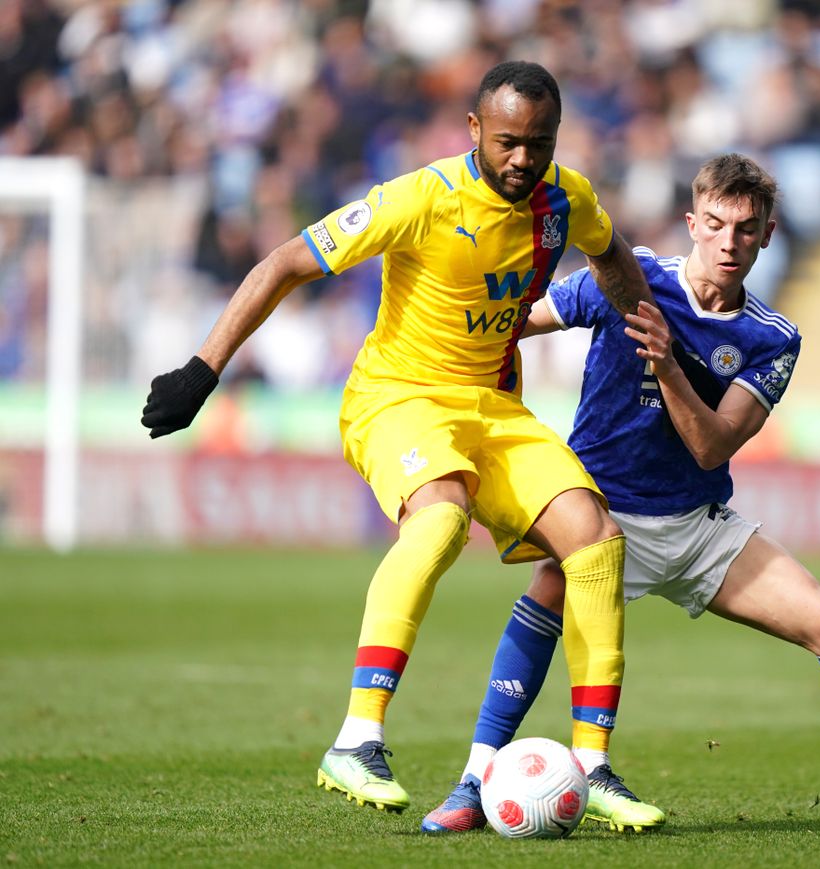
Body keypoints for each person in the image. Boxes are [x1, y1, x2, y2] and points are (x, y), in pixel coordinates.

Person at [140, 61, 659, 818]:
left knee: (596, 538)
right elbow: (287, 261)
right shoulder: (421, 197)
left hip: (493, 406)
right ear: (475, 130)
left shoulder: (565, 198)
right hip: (399, 396)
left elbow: (610, 252)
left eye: (538, 143)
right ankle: (356, 737)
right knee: (441, 516)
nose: (523, 158)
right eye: (509, 141)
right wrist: (203, 368)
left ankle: (592, 762)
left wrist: (647, 328)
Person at [420, 154, 820, 835]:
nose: (729, 242)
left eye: (746, 229)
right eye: (714, 224)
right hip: (599, 514)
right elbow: (516, 322)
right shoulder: (629, 279)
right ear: (692, 222)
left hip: (695, 527)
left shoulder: (771, 338)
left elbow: (713, 445)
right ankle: (473, 783)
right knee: (545, 593)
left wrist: (666, 362)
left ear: (767, 234)